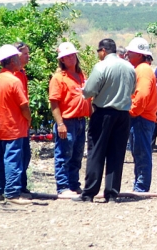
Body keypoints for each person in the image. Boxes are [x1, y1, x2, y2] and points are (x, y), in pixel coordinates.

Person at [74, 39, 136, 203]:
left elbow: (88, 91)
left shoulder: (101, 66)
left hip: (103, 113)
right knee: (117, 154)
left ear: (103, 51)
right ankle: (112, 194)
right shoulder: (129, 67)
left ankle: (89, 193)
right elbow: (132, 90)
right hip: (123, 114)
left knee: (96, 152)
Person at [0, 44, 32, 205]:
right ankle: (13, 193)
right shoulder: (14, 81)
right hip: (14, 127)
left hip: (0, 126)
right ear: (12, 60)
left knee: (0, 159)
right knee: (13, 160)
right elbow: (23, 106)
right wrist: (28, 119)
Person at [49, 42, 91, 199]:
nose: (71, 58)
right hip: (67, 122)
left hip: (81, 121)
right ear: (62, 60)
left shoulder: (81, 75)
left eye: (72, 55)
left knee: (77, 155)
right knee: (63, 155)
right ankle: (63, 187)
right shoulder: (58, 78)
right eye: (67, 57)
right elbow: (54, 103)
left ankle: (74, 184)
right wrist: (60, 124)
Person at [126, 37, 157, 192]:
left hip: (141, 118)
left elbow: (142, 95)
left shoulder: (143, 70)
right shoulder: (143, 69)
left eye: (130, 52)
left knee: (142, 154)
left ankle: (141, 187)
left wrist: (132, 111)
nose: (127, 54)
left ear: (139, 54)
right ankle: (139, 185)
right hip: (142, 118)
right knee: (139, 153)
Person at [13, 42, 32, 196]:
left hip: (23, 123)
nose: (28, 56)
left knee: (25, 154)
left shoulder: (22, 73)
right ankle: (15, 188)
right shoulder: (13, 75)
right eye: (25, 53)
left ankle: (22, 186)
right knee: (17, 155)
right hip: (15, 123)